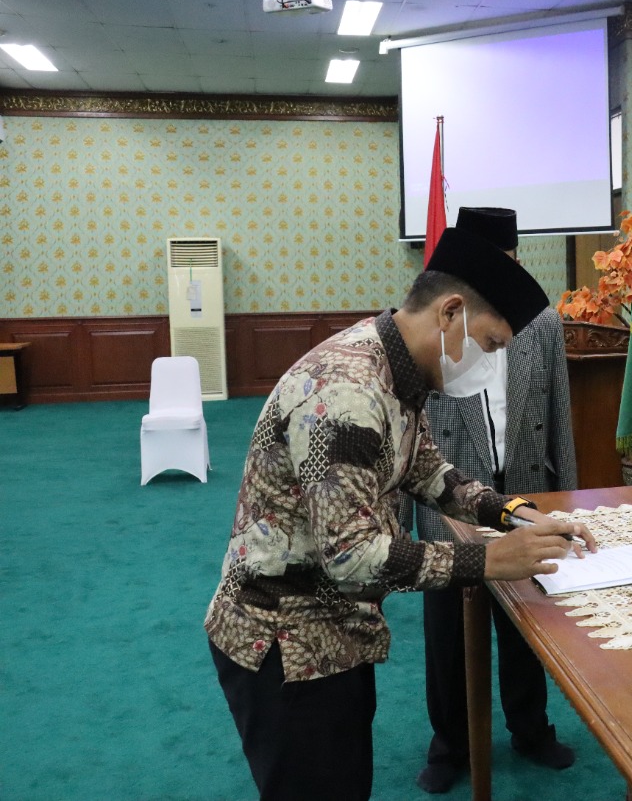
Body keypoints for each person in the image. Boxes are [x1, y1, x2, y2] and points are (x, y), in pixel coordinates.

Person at [204, 225, 597, 801]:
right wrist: (488, 560)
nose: (491, 364)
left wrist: (514, 515)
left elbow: (427, 470)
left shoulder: (396, 365)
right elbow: (351, 557)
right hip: (284, 642)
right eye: (490, 345)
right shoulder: (347, 393)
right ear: (451, 312)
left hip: (334, 632)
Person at [405, 207, 578, 794]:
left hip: (525, 492)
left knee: (529, 623)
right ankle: (450, 744)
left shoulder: (541, 324)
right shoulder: (429, 330)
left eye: (508, 264)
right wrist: (410, 523)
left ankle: (530, 728)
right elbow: (410, 443)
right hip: (448, 504)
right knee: (448, 636)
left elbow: (559, 416)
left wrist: (566, 497)